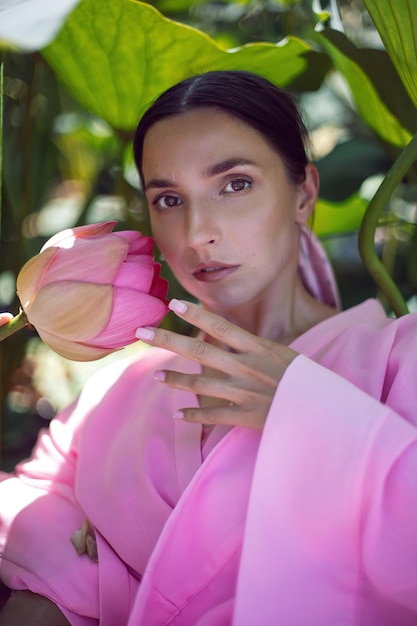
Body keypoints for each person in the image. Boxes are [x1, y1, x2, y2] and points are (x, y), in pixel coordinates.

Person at [0, 70, 416, 626]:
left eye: (235, 184)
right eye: (169, 198)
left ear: (305, 193)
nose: (197, 233)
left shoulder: (399, 358)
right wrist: (60, 585)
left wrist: (313, 411)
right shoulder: (121, 387)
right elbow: (31, 495)